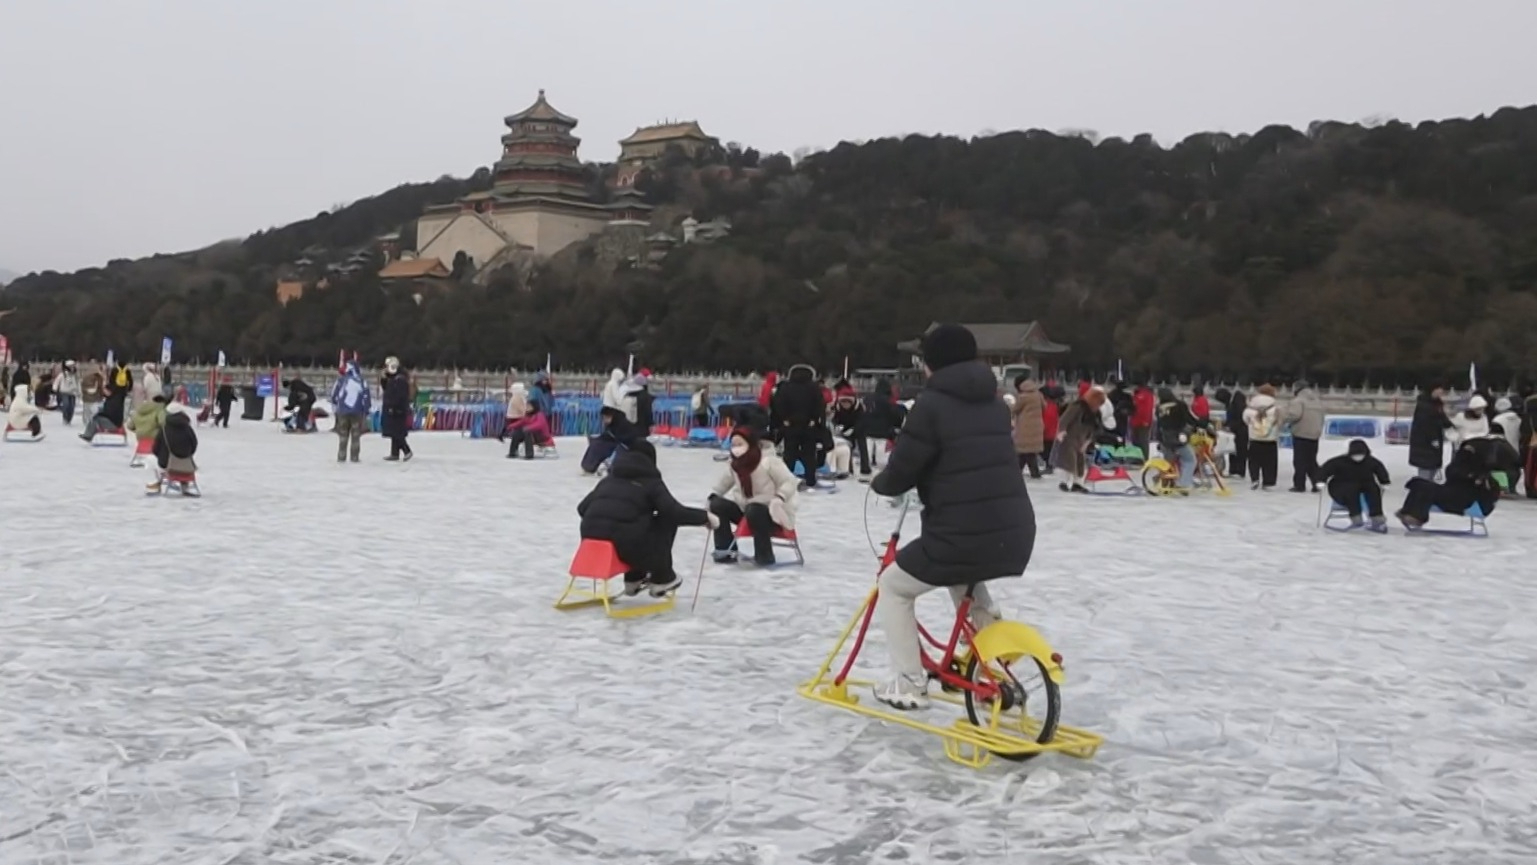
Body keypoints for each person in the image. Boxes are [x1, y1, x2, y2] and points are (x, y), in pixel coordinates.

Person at [867, 324, 1033, 710]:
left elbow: (903, 470)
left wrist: (881, 484)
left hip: (960, 534)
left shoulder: (931, 405)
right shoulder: (994, 403)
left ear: (930, 364)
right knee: (963, 576)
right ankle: (995, 660)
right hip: (1013, 531)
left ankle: (909, 682)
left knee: (894, 586)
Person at [578, 440, 715, 597]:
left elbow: (582, 508)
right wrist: (705, 517)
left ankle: (634, 579)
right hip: (625, 549)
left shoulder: (607, 481)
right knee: (663, 520)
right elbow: (674, 512)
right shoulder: (651, 482)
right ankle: (662, 578)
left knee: (634, 525)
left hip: (590, 545)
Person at [708, 426, 799, 566]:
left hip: (772, 513)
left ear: (750, 444)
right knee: (717, 504)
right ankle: (725, 549)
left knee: (755, 509)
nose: (736, 448)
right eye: (733, 445)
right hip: (747, 511)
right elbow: (723, 483)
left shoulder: (769, 461)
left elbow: (789, 481)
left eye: (740, 444)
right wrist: (713, 496)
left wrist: (780, 497)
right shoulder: (735, 465)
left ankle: (764, 556)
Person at [1396, 435, 1516, 529]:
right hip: (1455, 492)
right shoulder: (1463, 466)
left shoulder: (1480, 473)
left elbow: (1482, 493)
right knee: (1419, 483)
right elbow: (1452, 475)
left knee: (1427, 489)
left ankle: (1418, 517)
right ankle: (1409, 512)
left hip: (1464, 500)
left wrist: (1474, 478)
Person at [772, 364, 827, 489]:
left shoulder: (785, 387)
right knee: (809, 455)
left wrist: (784, 418)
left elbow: (777, 403)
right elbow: (820, 405)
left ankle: (786, 481)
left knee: (789, 454)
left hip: (790, 426)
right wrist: (815, 420)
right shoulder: (814, 388)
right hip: (809, 426)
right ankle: (811, 480)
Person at [1319, 439, 1391, 531]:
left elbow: (1380, 470)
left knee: (1374, 489)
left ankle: (1376, 517)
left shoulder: (1371, 462)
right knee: (1351, 490)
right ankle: (1356, 517)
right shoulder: (1339, 462)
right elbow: (1325, 470)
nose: (1358, 457)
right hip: (1341, 485)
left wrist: (1385, 481)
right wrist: (1321, 481)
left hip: (1364, 484)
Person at [1054, 388, 1108, 492]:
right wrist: (1061, 430)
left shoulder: (1095, 412)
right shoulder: (1077, 406)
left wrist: (1088, 442)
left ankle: (1077, 483)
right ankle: (1064, 482)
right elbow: (1065, 418)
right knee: (1069, 461)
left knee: (1080, 462)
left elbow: (1095, 429)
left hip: (1082, 439)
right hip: (1069, 437)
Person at [1155, 387, 1205, 491]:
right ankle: (1184, 483)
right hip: (1178, 437)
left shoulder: (1159, 407)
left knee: (1168, 462)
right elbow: (1189, 419)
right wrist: (1201, 424)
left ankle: (1163, 480)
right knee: (1190, 460)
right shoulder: (1179, 405)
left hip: (1165, 438)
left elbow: (1159, 424)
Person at [1280, 379, 1324, 493]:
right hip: (1314, 434)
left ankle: (1299, 485)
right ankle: (1317, 483)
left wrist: (1284, 418)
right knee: (1311, 460)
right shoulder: (1317, 400)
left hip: (1301, 433)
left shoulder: (1298, 401)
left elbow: (1295, 415)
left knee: (1299, 461)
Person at [149, 403, 198, 494]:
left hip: (168, 464)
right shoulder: (188, 428)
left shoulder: (164, 429)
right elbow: (194, 445)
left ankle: (159, 483)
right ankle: (185, 484)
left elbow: (155, 449)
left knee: (150, 460)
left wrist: (161, 455)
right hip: (187, 465)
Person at [1408, 384, 1453, 481]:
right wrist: (1433, 439)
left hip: (1435, 440)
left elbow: (1441, 418)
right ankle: (1423, 491)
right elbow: (1424, 425)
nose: (1441, 392)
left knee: (1433, 467)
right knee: (1425, 468)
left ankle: (1429, 488)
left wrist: (1451, 425)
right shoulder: (1424, 405)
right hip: (1424, 442)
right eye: (1439, 389)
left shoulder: (1437, 404)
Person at [330, 359, 372, 463]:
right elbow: (366, 397)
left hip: (343, 412)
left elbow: (334, 395)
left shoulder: (340, 380)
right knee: (356, 436)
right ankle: (354, 457)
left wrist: (336, 407)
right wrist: (366, 410)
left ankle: (341, 456)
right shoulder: (362, 381)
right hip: (357, 412)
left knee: (343, 435)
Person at [580, 406, 641, 475]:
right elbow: (607, 435)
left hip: (624, 446)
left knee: (602, 447)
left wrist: (616, 438)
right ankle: (589, 467)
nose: (604, 420)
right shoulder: (610, 424)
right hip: (613, 443)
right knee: (596, 444)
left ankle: (608, 467)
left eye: (606, 417)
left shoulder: (623, 423)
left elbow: (629, 437)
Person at [1243, 384, 1281, 490]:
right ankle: (1268, 482)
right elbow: (1280, 421)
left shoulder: (1251, 405)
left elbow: (1245, 419)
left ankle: (1255, 478)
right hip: (1270, 439)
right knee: (1269, 462)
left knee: (1254, 460)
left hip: (1254, 438)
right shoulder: (1276, 406)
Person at [1010, 375, 1045, 479]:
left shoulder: (1023, 397)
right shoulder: (1038, 394)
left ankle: (1023, 472)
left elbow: (1015, 409)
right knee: (1028, 451)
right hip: (1037, 426)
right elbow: (1044, 406)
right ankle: (1031, 472)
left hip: (1025, 426)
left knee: (1024, 450)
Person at [829, 384, 867, 478]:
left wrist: (853, 429)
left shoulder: (859, 407)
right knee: (847, 447)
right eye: (843, 403)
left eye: (847, 403)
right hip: (844, 428)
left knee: (862, 446)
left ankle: (865, 468)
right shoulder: (837, 407)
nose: (845, 405)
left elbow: (862, 421)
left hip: (858, 428)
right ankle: (847, 469)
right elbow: (835, 419)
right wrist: (837, 426)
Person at [380, 357, 414, 461]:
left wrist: (394, 406)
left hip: (398, 409)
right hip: (392, 408)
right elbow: (386, 388)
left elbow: (400, 396)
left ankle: (406, 450)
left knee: (397, 432)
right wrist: (384, 379)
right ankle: (394, 453)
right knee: (393, 431)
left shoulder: (400, 380)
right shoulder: (393, 378)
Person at [1217, 387, 1248, 478]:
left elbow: (1240, 417)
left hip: (1241, 429)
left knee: (1241, 450)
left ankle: (1240, 471)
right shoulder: (1229, 402)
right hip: (1233, 430)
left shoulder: (1238, 399)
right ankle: (1233, 470)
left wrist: (1230, 426)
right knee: (1232, 450)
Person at [1129, 383, 1156, 458]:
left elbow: (1147, 409)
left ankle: (1144, 458)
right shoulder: (1137, 395)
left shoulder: (1146, 395)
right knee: (1135, 441)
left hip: (1143, 422)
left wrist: (1146, 421)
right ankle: (1137, 457)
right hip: (1135, 421)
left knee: (1143, 441)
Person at [80, 360, 106, 428]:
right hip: (92, 396)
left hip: (93, 397)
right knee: (91, 410)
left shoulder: (99, 377)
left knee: (90, 410)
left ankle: (89, 422)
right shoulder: (96, 377)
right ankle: (89, 423)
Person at [630, 370, 655, 439]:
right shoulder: (646, 396)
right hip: (643, 426)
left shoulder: (629, 395)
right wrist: (651, 423)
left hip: (631, 425)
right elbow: (648, 411)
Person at [54, 361, 80, 425]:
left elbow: (78, 384)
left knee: (72, 406)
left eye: (73, 366)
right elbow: (57, 381)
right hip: (64, 392)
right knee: (66, 405)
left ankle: (69, 419)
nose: (72, 368)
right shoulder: (63, 374)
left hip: (73, 392)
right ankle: (65, 418)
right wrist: (55, 388)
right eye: (71, 366)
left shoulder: (75, 375)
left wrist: (79, 391)